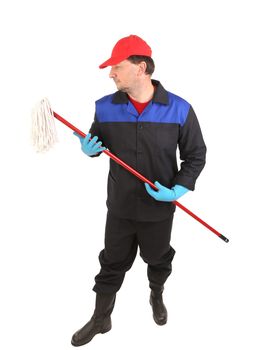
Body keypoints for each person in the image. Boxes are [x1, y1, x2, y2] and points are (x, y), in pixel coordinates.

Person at [71, 34, 206, 347]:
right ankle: (101, 318)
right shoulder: (105, 107)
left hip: (158, 210)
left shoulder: (179, 109)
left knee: (157, 258)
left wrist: (177, 190)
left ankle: (156, 294)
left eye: (117, 66)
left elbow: (196, 155)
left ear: (141, 68)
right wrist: (89, 149)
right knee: (111, 262)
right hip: (119, 206)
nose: (111, 73)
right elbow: (97, 144)